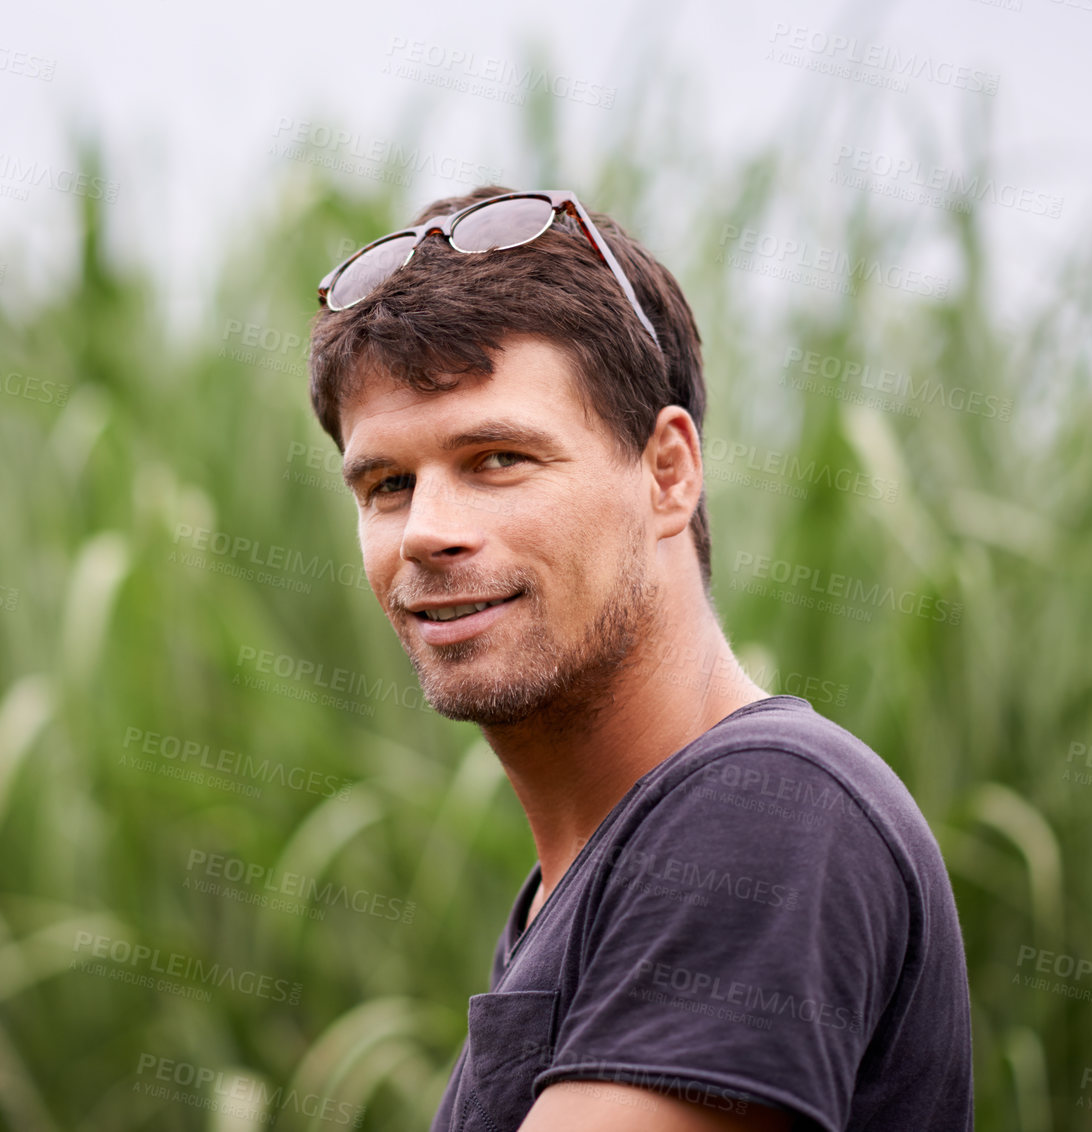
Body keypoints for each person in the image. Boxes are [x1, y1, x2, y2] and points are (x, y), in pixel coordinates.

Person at [305, 187, 972, 1131]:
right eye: (387, 483)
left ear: (667, 471)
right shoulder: (580, 886)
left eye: (498, 458)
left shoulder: (768, 809)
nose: (427, 532)